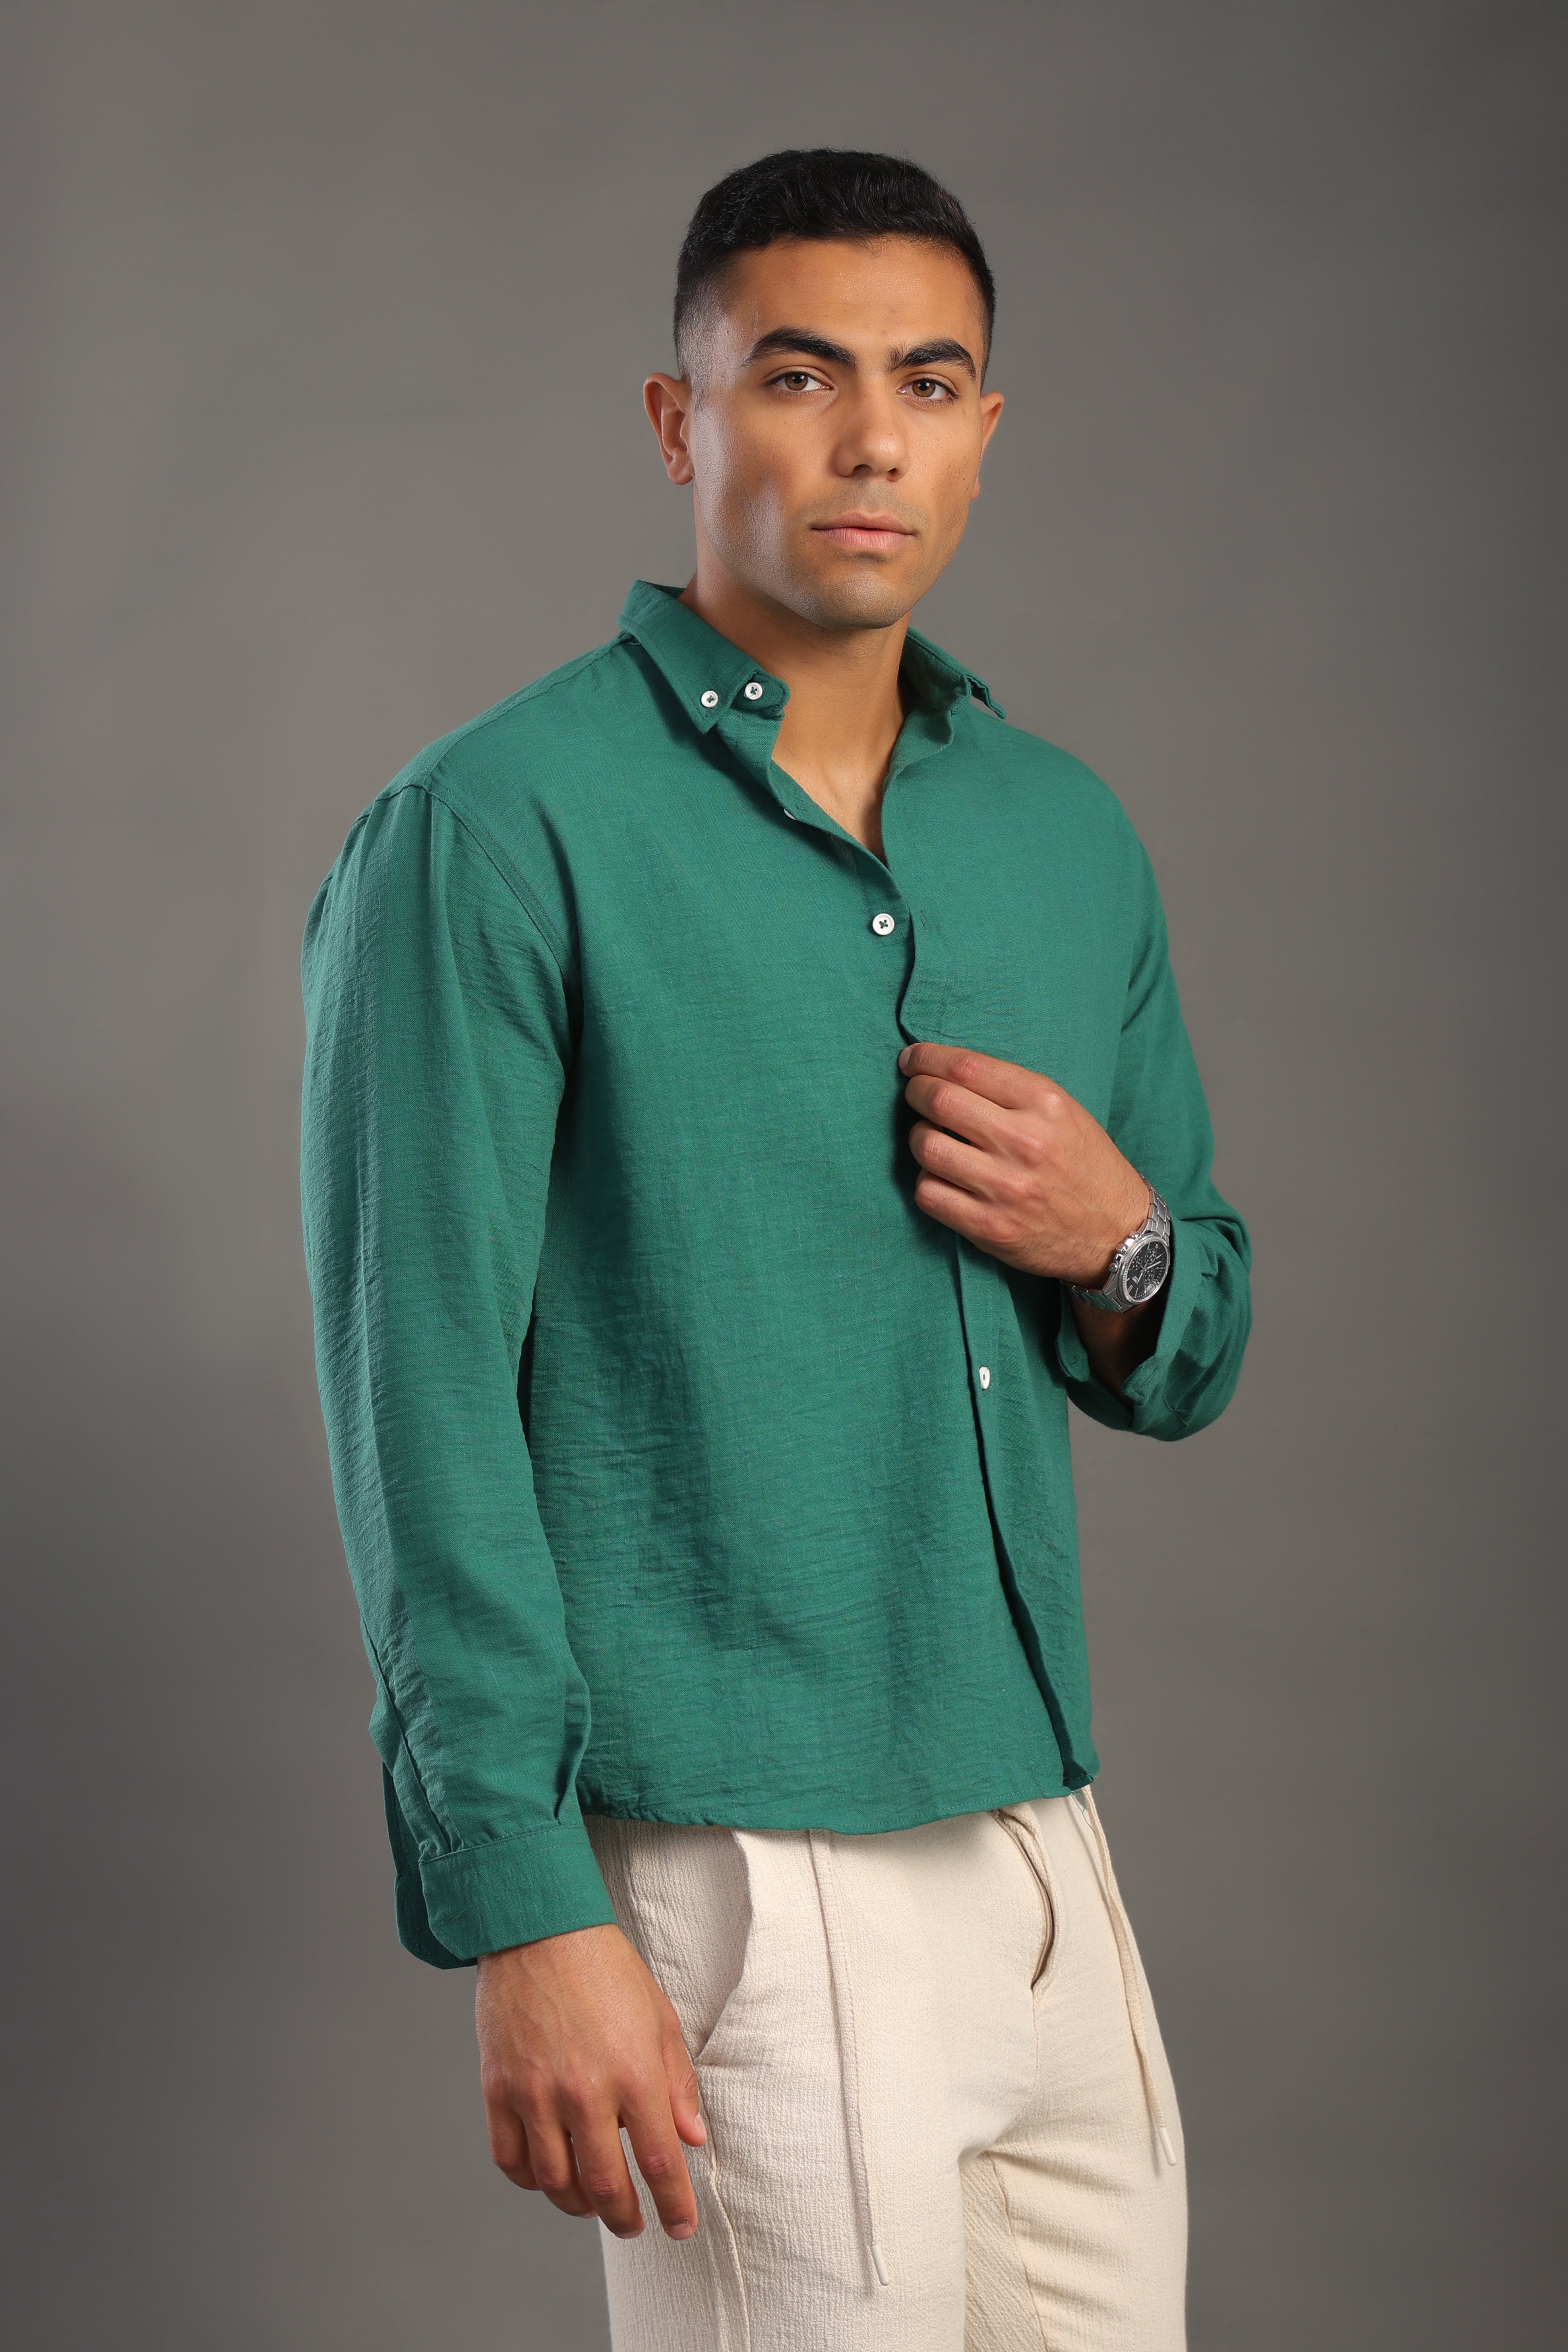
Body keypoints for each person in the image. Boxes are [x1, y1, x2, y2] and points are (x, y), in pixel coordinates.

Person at [301, 147, 1251, 2352]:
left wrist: (1117, 1242)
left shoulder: (1066, 832)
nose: (871, 440)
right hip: (732, 1873)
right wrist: (528, 1903)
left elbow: (1191, 1333)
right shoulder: (492, 830)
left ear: (986, 430)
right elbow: (420, 1405)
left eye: (928, 383)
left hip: (1045, 1858)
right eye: (801, 376)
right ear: (681, 419)